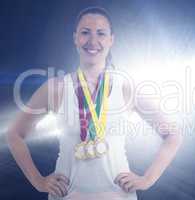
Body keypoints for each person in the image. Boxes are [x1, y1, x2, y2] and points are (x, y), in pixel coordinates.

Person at [6, 6, 182, 200]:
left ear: (111, 40)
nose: (93, 41)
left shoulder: (126, 87)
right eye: (85, 33)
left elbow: (172, 134)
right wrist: (38, 181)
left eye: (101, 33)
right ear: (75, 38)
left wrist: (148, 179)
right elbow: (14, 134)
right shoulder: (55, 88)